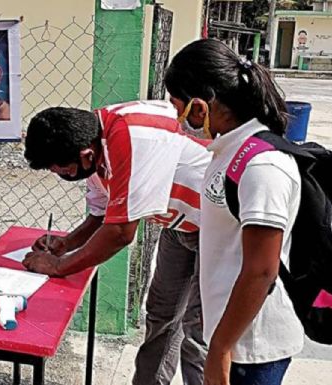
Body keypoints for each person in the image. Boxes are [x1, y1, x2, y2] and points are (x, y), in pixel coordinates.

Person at [23, 101, 211, 385]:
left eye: (61, 169)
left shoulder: (129, 137)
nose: (60, 174)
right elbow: (101, 213)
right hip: (179, 224)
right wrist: (66, 243)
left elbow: (121, 232)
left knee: (199, 335)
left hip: (217, 228)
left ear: (85, 155)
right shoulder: (94, 140)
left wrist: (59, 266)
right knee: (162, 315)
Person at [164, 38, 304, 385]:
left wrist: (220, 349)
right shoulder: (228, 150)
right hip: (231, 337)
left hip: (253, 347)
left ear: (200, 107)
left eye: (177, 107)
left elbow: (261, 271)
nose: (178, 120)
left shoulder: (262, 165)